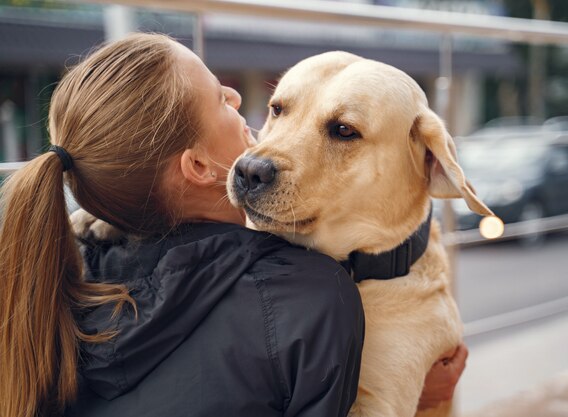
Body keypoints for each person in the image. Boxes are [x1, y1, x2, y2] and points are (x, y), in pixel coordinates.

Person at [0, 33, 465, 417]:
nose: (268, 147)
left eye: (342, 130)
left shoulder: (65, 255)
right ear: (198, 166)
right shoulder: (315, 300)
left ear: (430, 163)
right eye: (279, 110)